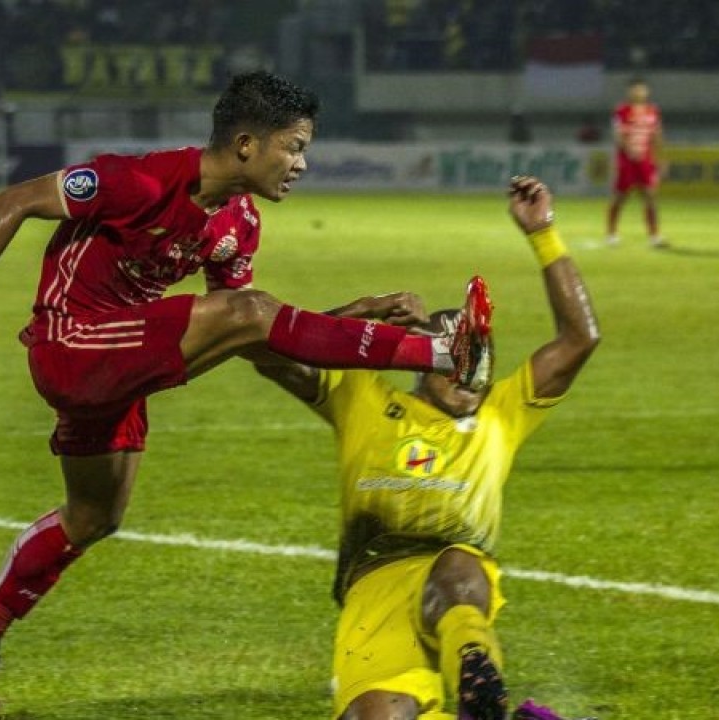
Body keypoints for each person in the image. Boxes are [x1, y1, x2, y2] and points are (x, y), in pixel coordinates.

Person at [0, 70, 492, 715]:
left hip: (119, 366)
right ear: (247, 143)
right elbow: (14, 199)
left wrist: (351, 318)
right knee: (248, 314)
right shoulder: (139, 181)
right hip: (71, 346)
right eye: (296, 146)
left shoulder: (239, 223)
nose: (302, 164)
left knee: (94, 516)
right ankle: (445, 351)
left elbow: (249, 332)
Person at [255, 176, 600, 720]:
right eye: (455, 355)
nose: (471, 371)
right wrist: (363, 312)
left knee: (458, 573)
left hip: (456, 573)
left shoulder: (501, 413)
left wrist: (544, 235)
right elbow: (268, 348)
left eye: (480, 357)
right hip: (373, 586)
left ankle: (474, 667)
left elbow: (581, 338)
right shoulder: (363, 397)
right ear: (420, 363)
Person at [605, 77, 666, 249]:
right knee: (620, 197)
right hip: (627, 161)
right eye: (635, 89)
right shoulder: (622, 111)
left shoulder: (653, 111)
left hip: (646, 160)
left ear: (647, 92)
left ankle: (654, 235)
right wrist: (628, 150)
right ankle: (611, 233)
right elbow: (618, 134)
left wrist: (660, 159)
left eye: (642, 89)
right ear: (629, 92)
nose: (639, 92)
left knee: (650, 197)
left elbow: (657, 135)